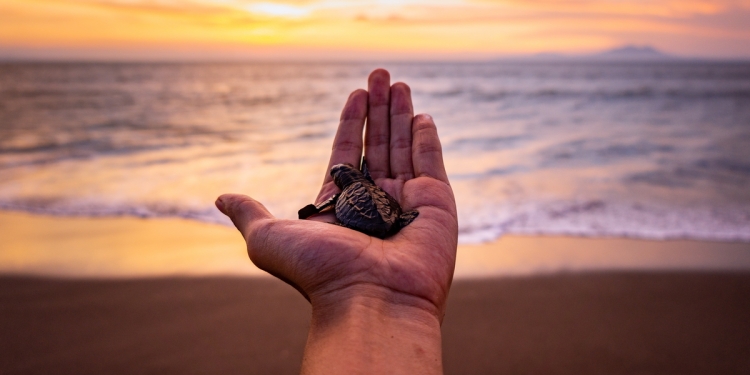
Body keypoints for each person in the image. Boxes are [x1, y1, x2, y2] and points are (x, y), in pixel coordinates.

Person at [215, 68, 458, 374]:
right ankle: (395, 222)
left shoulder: (339, 196)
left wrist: (307, 215)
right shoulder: (370, 184)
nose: (336, 175)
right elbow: (371, 186)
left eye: (337, 175)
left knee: (360, 213)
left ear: (342, 180)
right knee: (385, 213)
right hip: (389, 217)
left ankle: (376, 224)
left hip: (363, 217)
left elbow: (316, 210)